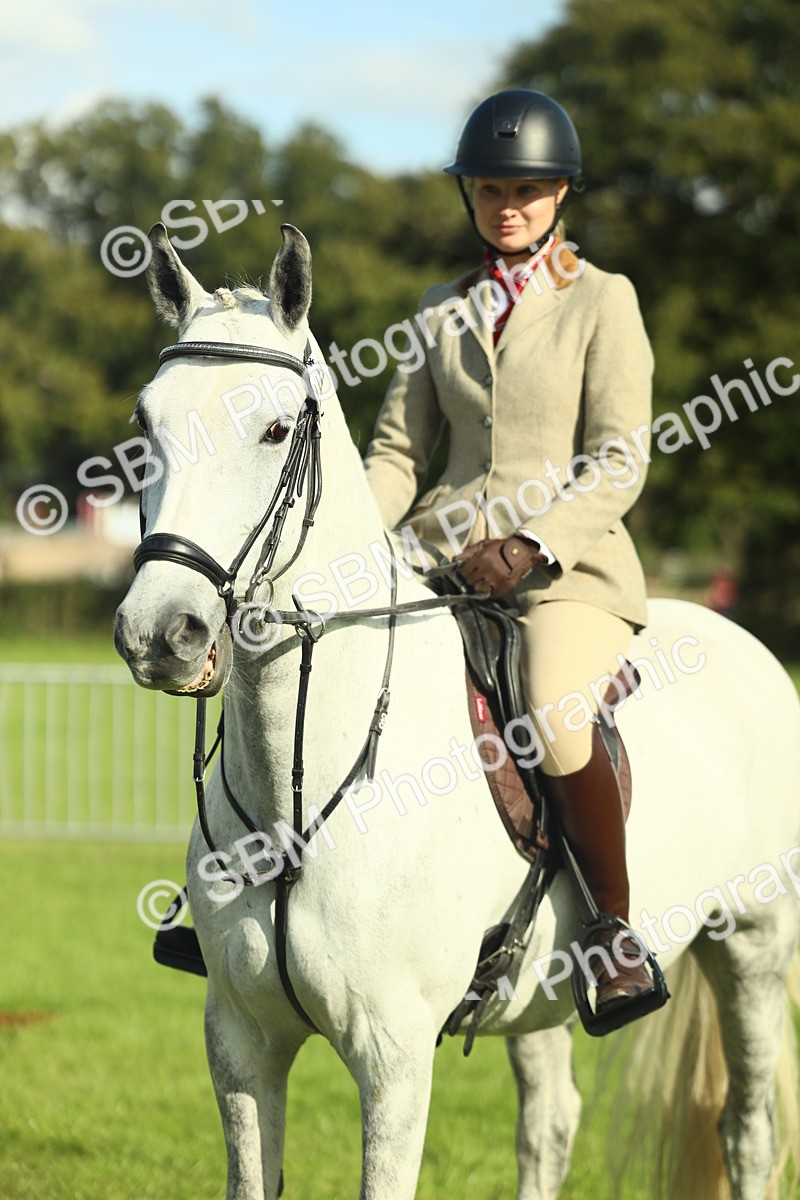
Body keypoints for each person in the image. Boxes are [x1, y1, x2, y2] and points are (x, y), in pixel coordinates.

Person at [363, 88, 657, 1014]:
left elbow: (620, 456)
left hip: (567, 577)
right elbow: (400, 453)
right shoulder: (435, 308)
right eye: (491, 189)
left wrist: (532, 544)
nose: (508, 206)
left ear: (561, 193)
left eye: (526, 190)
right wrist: (353, 542)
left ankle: (613, 932)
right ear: (471, 197)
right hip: (442, 562)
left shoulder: (603, 299)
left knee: (553, 706)